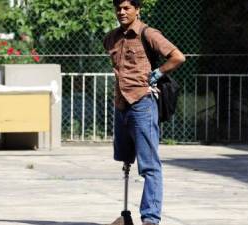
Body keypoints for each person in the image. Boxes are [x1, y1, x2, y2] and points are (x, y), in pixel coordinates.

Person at [103, 0, 185, 224]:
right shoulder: (111, 38)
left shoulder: (148, 34)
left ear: (137, 10)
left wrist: (158, 73)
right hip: (121, 105)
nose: (121, 12)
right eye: (118, 8)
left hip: (142, 104)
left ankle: (150, 218)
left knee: (149, 165)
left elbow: (178, 57)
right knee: (125, 160)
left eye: (127, 7)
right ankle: (125, 215)